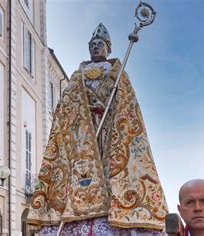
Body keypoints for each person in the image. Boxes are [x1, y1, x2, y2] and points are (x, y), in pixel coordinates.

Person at [27, 23, 168, 235]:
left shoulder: (118, 72)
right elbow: (66, 103)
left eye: (99, 44)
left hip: (110, 127)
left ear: (108, 47)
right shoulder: (78, 74)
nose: (95, 47)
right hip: (83, 131)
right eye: (92, 44)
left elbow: (128, 104)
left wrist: (112, 110)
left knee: (111, 163)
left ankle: (114, 200)